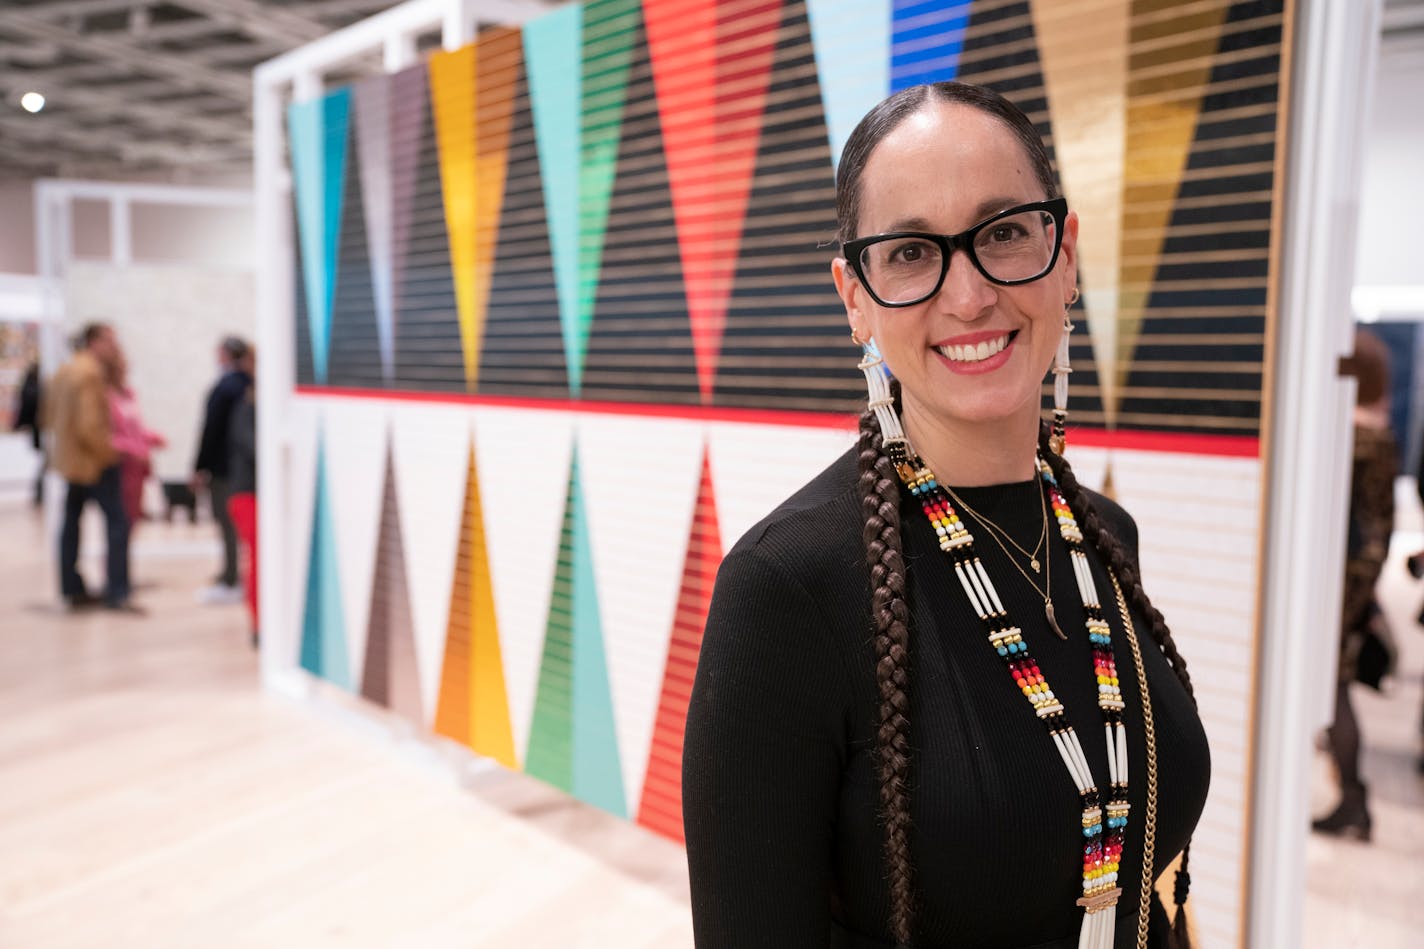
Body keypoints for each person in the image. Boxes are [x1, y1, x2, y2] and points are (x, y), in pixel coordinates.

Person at [682, 82, 1209, 949]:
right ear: (855, 294)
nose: (968, 296)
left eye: (1003, 232)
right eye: (911, 252)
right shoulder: (786, 591)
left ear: (1063, 251)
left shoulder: (1104, 536)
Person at [1313, 328, 1396, 839]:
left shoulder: (1354, 440)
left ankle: (1354, 800)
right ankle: (1353, 799)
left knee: (1335, 684)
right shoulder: (1378, 437)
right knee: (1337, 683)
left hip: (1343, 579)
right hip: (1360, 575)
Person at [42, 323, 138, 612]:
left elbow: (48, 415)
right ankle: (117, 591)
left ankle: (71, 587)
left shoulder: (65, 370)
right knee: (118, 525)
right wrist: (109, 453)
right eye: (109, 340)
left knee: (71, 525)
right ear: (94, 342)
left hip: (71, 461)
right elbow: (89, 425)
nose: (113, 346)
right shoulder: (90, 373)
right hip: (94, 463)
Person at [193, 335, 252, 604]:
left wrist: (200, 466)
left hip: (225, 469)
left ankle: (232, 576)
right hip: (240, 468)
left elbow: (211, 430)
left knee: (228, 525)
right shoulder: (247, 385)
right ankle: (232, 574)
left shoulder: (227, 387)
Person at [107, 350, 166, 534]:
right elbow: (106, 435)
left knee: (132, 520)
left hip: (136, 468)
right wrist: (133, 450)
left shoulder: (129, 394)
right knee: (120, 520)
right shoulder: (105, 397)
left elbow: (136, 429)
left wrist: (153, 438)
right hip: (119, 464)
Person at [225, 347, 259, 646]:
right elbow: (254, 448)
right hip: (247, 493)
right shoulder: (247, 407)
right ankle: (260, 624)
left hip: (255, 493)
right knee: (259, 559)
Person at [13, 360, 43, 507]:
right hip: (38, 428)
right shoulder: (33, 387)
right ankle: (39, 493)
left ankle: (40, 493)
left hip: (38, 428)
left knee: (43, 462)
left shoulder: (30, 385)